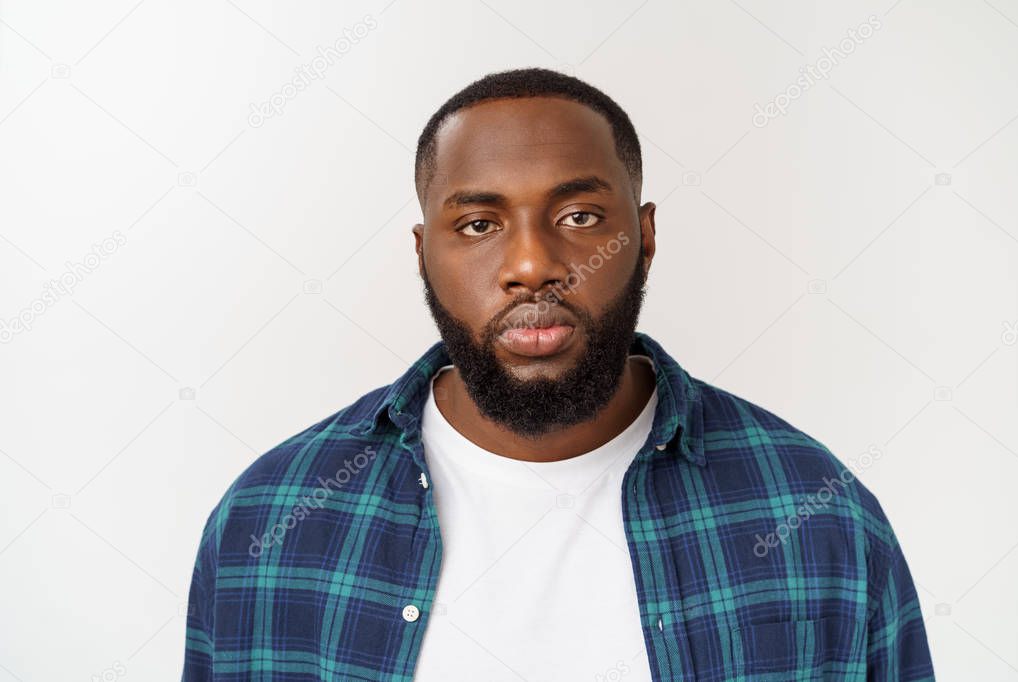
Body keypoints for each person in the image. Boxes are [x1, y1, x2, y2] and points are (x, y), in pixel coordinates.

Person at [182, 67, 934, 681]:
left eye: (578, 217)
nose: (532, 265)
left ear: (641, 236)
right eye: (478, 225)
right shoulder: (271, 521)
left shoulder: (815, 512)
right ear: (422, 253)